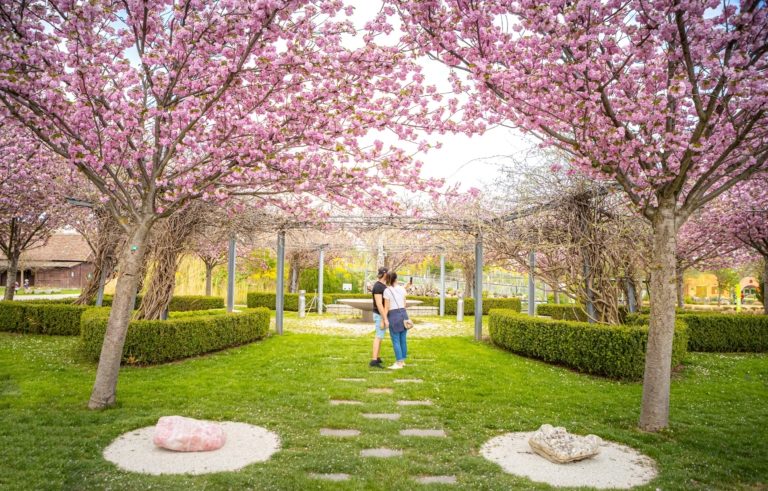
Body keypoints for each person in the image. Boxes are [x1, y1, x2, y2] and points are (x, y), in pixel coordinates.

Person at [382, 271, 409, 370]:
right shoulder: (402, 289)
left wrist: (385, 319)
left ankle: (399, 363)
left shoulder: (387, 291)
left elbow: (386, 307)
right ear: (396, 279)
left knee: (396, 340)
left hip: (393, 315)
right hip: (404, 314)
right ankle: (403, 360)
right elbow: (405, 303)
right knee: (403, 339)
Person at [369, 267, 388, 368]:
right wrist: (384, 318)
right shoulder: (378, 287)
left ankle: (378, 357)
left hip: (382, 314)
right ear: (384, 274)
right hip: (379, 314)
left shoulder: (382, 285)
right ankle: (373, 360)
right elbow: (379, 304)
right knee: (378, 336)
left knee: (380, 336)